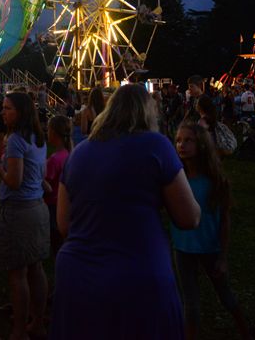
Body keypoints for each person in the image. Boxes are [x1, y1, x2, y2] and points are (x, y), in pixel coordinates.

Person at [50, 84, 201, 339]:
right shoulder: (156, 145)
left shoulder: (79, 153)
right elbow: (189, 217)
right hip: (137, 277)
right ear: (147, 112)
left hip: (76, 278)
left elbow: (64, 225)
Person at [171, 122, 253, 340]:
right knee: (190, 301)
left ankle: (245, 330)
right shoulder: (176, 180)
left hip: (210, 247)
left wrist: (223, 256)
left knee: (225, 295)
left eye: (188, 140)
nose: (182, 145)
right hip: (183, 246)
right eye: (178, 140)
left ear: (201, 145)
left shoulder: (214, 181)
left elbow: (224, 219)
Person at [0, 92, 50, 340]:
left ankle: (18, 331)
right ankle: (37, 322)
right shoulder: (38, 137)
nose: (3, 112)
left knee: (17, 273)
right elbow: (41, 175)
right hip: (38, 208)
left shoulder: (15, 140)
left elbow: (14, 180)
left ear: (21, 112)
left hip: (19, 211)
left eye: (8, 108)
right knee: (36, 268)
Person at [43, 115, 71, 254]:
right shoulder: (67, 154)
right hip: (63, 201)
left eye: (47, 129)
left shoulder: (54, 160)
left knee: (56, 238)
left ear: (53, 132)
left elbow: (46, 185)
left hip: (52, 204)